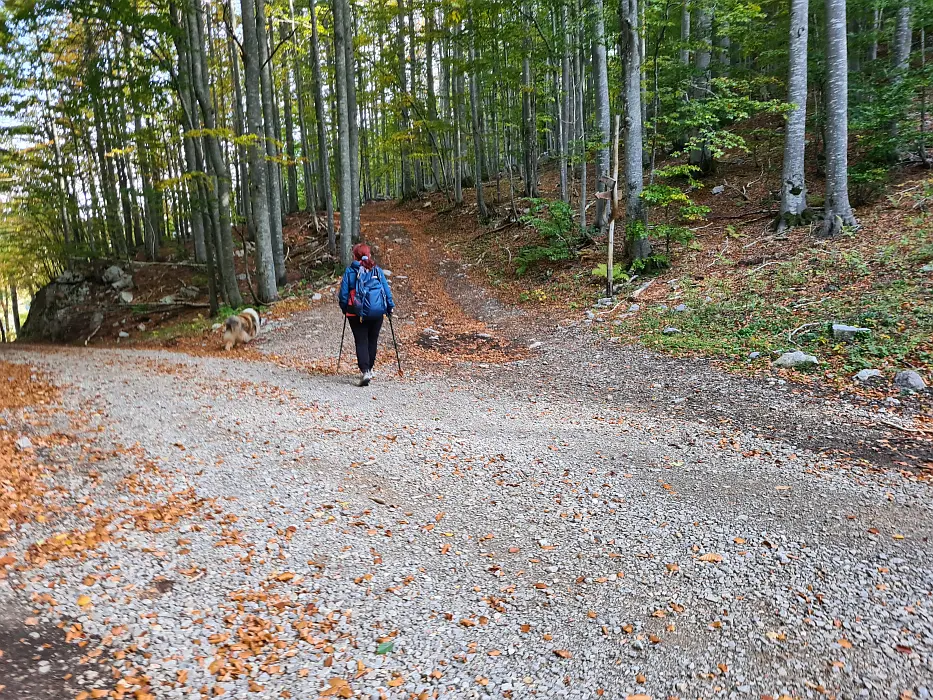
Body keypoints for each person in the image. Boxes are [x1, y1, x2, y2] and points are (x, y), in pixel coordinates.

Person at [338, 243, 395, 386]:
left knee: (361, 340)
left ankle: (365, 371)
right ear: (368, 255)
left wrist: (345, 308)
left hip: (356, 313)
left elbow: (343, 295)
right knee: (372, 340)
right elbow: (386, 289)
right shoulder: (376, 270)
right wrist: (390, 307)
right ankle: (369, 368)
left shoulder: (350, 271)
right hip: (377, 311)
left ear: (354, 255)